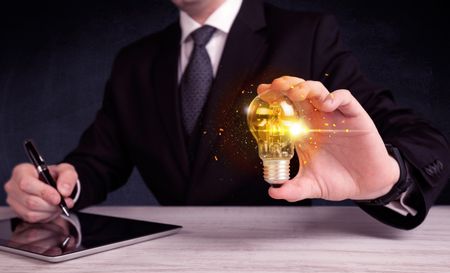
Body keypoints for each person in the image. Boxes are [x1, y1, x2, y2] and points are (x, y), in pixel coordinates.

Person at [4, 0, 449, 229]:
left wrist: (389, 178)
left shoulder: (306, 35)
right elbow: (98, 163)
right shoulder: (135, 62)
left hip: (282, 264)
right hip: (169, 265)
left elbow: (421, 140)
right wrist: (58, 185)